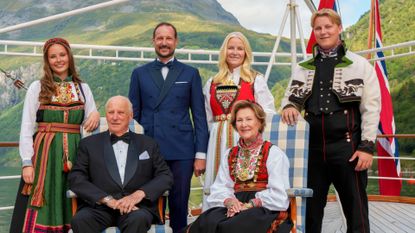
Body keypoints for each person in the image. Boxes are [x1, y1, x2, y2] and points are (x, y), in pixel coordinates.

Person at [281, 8, 380, 233]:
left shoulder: (360, 65)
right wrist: (288, 106)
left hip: (348, 149)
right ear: (313, 32)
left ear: (339, 28)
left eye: (328, 26)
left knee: (355, 209)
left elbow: (371, 108)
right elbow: (289, 98)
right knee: (311, 210)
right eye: (318, 28)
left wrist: (366, 147)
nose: (323, 31)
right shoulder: (302, 67)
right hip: (312, 150)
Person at [10, 37, 100, 233]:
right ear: (47, 60)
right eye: (53, 56)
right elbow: (27, 127)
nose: (58, 60)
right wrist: (27, 162)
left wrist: (95, 113)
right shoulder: (37, 87)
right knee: (45, 200)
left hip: (77, 155)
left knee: (74, 200)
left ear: (69, 56)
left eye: (62, 54)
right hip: (45, 156)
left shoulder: (83, 89)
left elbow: (90, 123)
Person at [128, 22, 209, 232]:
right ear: (153, 41)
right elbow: (133, 115)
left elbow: (199, 116)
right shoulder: (139, 73)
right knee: (145, 199)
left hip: (181, 148)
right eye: (160, 38)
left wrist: (200, 153)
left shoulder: (190, 73)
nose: (164, 43)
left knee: (180, 201)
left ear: (176, 41)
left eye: (169, 38)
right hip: (148, 147)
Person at [69, 96, 174, 233]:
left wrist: (138, 194)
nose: (115, 117)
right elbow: (76, 178)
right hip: (100, 208)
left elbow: (165, 176)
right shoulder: (88, 144)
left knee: (139, 219)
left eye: (120, 112)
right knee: (80, 220)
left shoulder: (148, 144)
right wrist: (107, 199)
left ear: (130, 116)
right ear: (106, 115)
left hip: (136, 208)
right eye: (111, 112)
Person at [183, 100, 289, 233]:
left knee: (232, 226)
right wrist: (230, 202)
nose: (244, 124)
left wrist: (251, 204)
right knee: (207, 220)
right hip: (234, 206)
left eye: (249, 119)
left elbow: (279, 194)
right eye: (239, 120)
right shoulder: (230, 154)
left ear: (260, 122)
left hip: (263, 209)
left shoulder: (274, 153)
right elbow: (221, 187)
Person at [202, 32, 276, 210]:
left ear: (246, 53)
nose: (235, 52)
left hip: (244, 136)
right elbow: (206, 119)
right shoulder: (211, 82)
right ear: (224, 51)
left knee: (242, 182)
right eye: (231, 47)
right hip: (217, 139)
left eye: (240, 48)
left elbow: (267, 112)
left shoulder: (255, 79)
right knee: (216, 183)